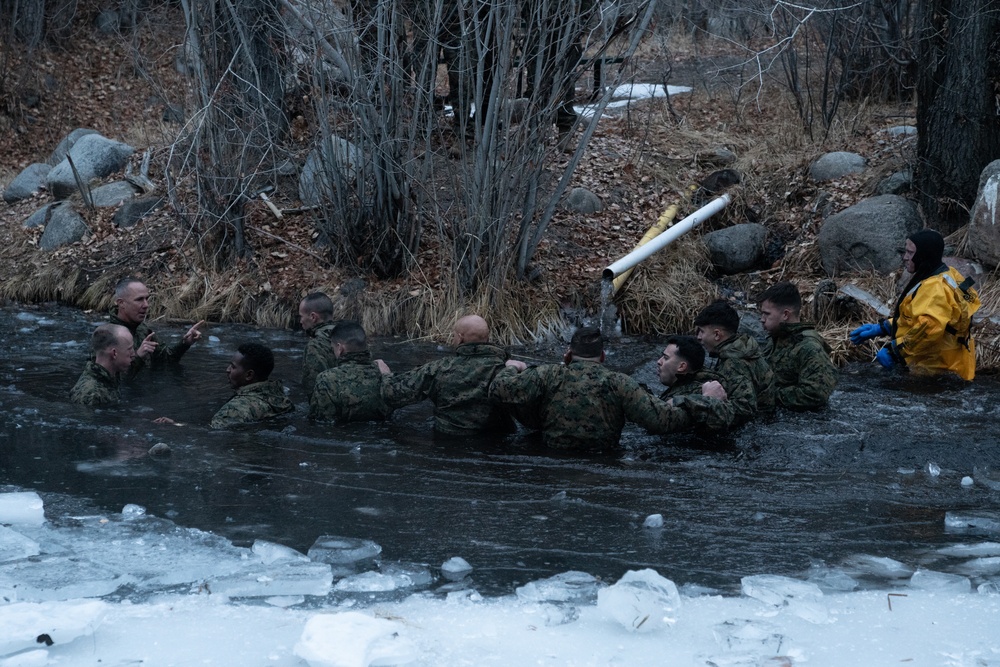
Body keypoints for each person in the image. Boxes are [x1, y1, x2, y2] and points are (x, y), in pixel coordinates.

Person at [490, 326, 726, 451]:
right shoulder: (619, 383)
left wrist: (513, 366)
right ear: (603, 356)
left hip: (552, 455)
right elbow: (662, 421)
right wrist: (707, 400)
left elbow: (499, 389)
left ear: (569, 355)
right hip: (603, 460)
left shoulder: (547, 374)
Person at [849, 229, 981, 380]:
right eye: (905, 252)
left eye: (910, 253)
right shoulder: (946, 274)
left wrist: (895, 352)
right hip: (942, 362)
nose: (905, 258)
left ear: (924, 255)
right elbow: (919, 318)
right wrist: (884, 327)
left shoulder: (934, 289)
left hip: (940, 370)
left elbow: (928, 330)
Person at [382, 315, 518, 435]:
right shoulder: (507, 369)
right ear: (487, 338)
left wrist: (386, 375)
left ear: (460, 338)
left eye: (454, 335)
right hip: (496, 442)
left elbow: (393, 395)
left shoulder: (439, 368)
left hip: (449, 441)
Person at [694, 300, 776, 427]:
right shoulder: (740, 347)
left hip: (759, 426)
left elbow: (745, 408)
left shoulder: (734, 363)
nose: (698, 337)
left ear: (717, 334)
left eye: (701, 331)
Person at [757, 282, 838, 410]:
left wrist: (769, 396)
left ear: (785, 315)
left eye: (767, 314)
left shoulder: (809, 346)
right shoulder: (776, 337)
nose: (762, 319)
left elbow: (817, 393)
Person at [110, 277, 204, 376]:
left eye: (147, 299)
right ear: (121, 303)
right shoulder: (107, 336)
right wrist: (139, 356)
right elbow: (112, 380)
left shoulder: (142, 329)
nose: (146, 305)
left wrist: (185, 343)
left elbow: (166, 359)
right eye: (139, 299)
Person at [310, 320, 394, 423]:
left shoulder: (326, 379)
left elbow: (321, 421)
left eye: (333, 348)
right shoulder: (385, 374)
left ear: (340, 348)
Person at [656, 334, 734, 431]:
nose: (659, 361)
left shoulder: (699, 391)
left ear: (682, 367)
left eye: (666, 358)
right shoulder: (686, 383)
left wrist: (674, 402)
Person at [70, 324, 135, 407]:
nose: (133, 354)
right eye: (129, 349)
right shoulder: (92, 395)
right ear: (114, 353)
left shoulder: (111, 375)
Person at [298, 292, 338, 394]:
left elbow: (312, 387)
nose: (300, 321)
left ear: (313, 317)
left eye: (301, 316)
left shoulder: (314, 346)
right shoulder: (352, 334)